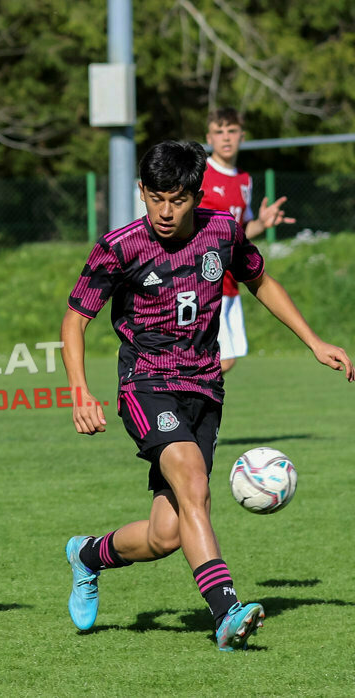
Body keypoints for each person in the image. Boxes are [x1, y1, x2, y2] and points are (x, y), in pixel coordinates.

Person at [60, 140, 352, 651]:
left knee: (166, 535)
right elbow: (75, 319)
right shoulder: (120, 246)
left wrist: (314, 341)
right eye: (154, 198)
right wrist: (80, 390)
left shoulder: (224, 232)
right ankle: (225, 612)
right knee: (194, 482)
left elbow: (261, 281)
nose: (165, 212)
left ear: (197, 194)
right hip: (145, 384)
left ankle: (87, 555)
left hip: (205, 388)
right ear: (141, 192)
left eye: (176, 199)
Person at [202, 107, 296, 373]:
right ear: (209, 137)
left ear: (242, 136)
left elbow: (240, 230)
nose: (226, 137)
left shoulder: (245, 179)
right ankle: (169, 389)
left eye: (231, 131)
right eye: (219, 132)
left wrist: (262, 223)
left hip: (230, 278)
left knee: (226, 360)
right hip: (205, 278)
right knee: (222, 360)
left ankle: (177, 395)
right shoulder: (200, 174)